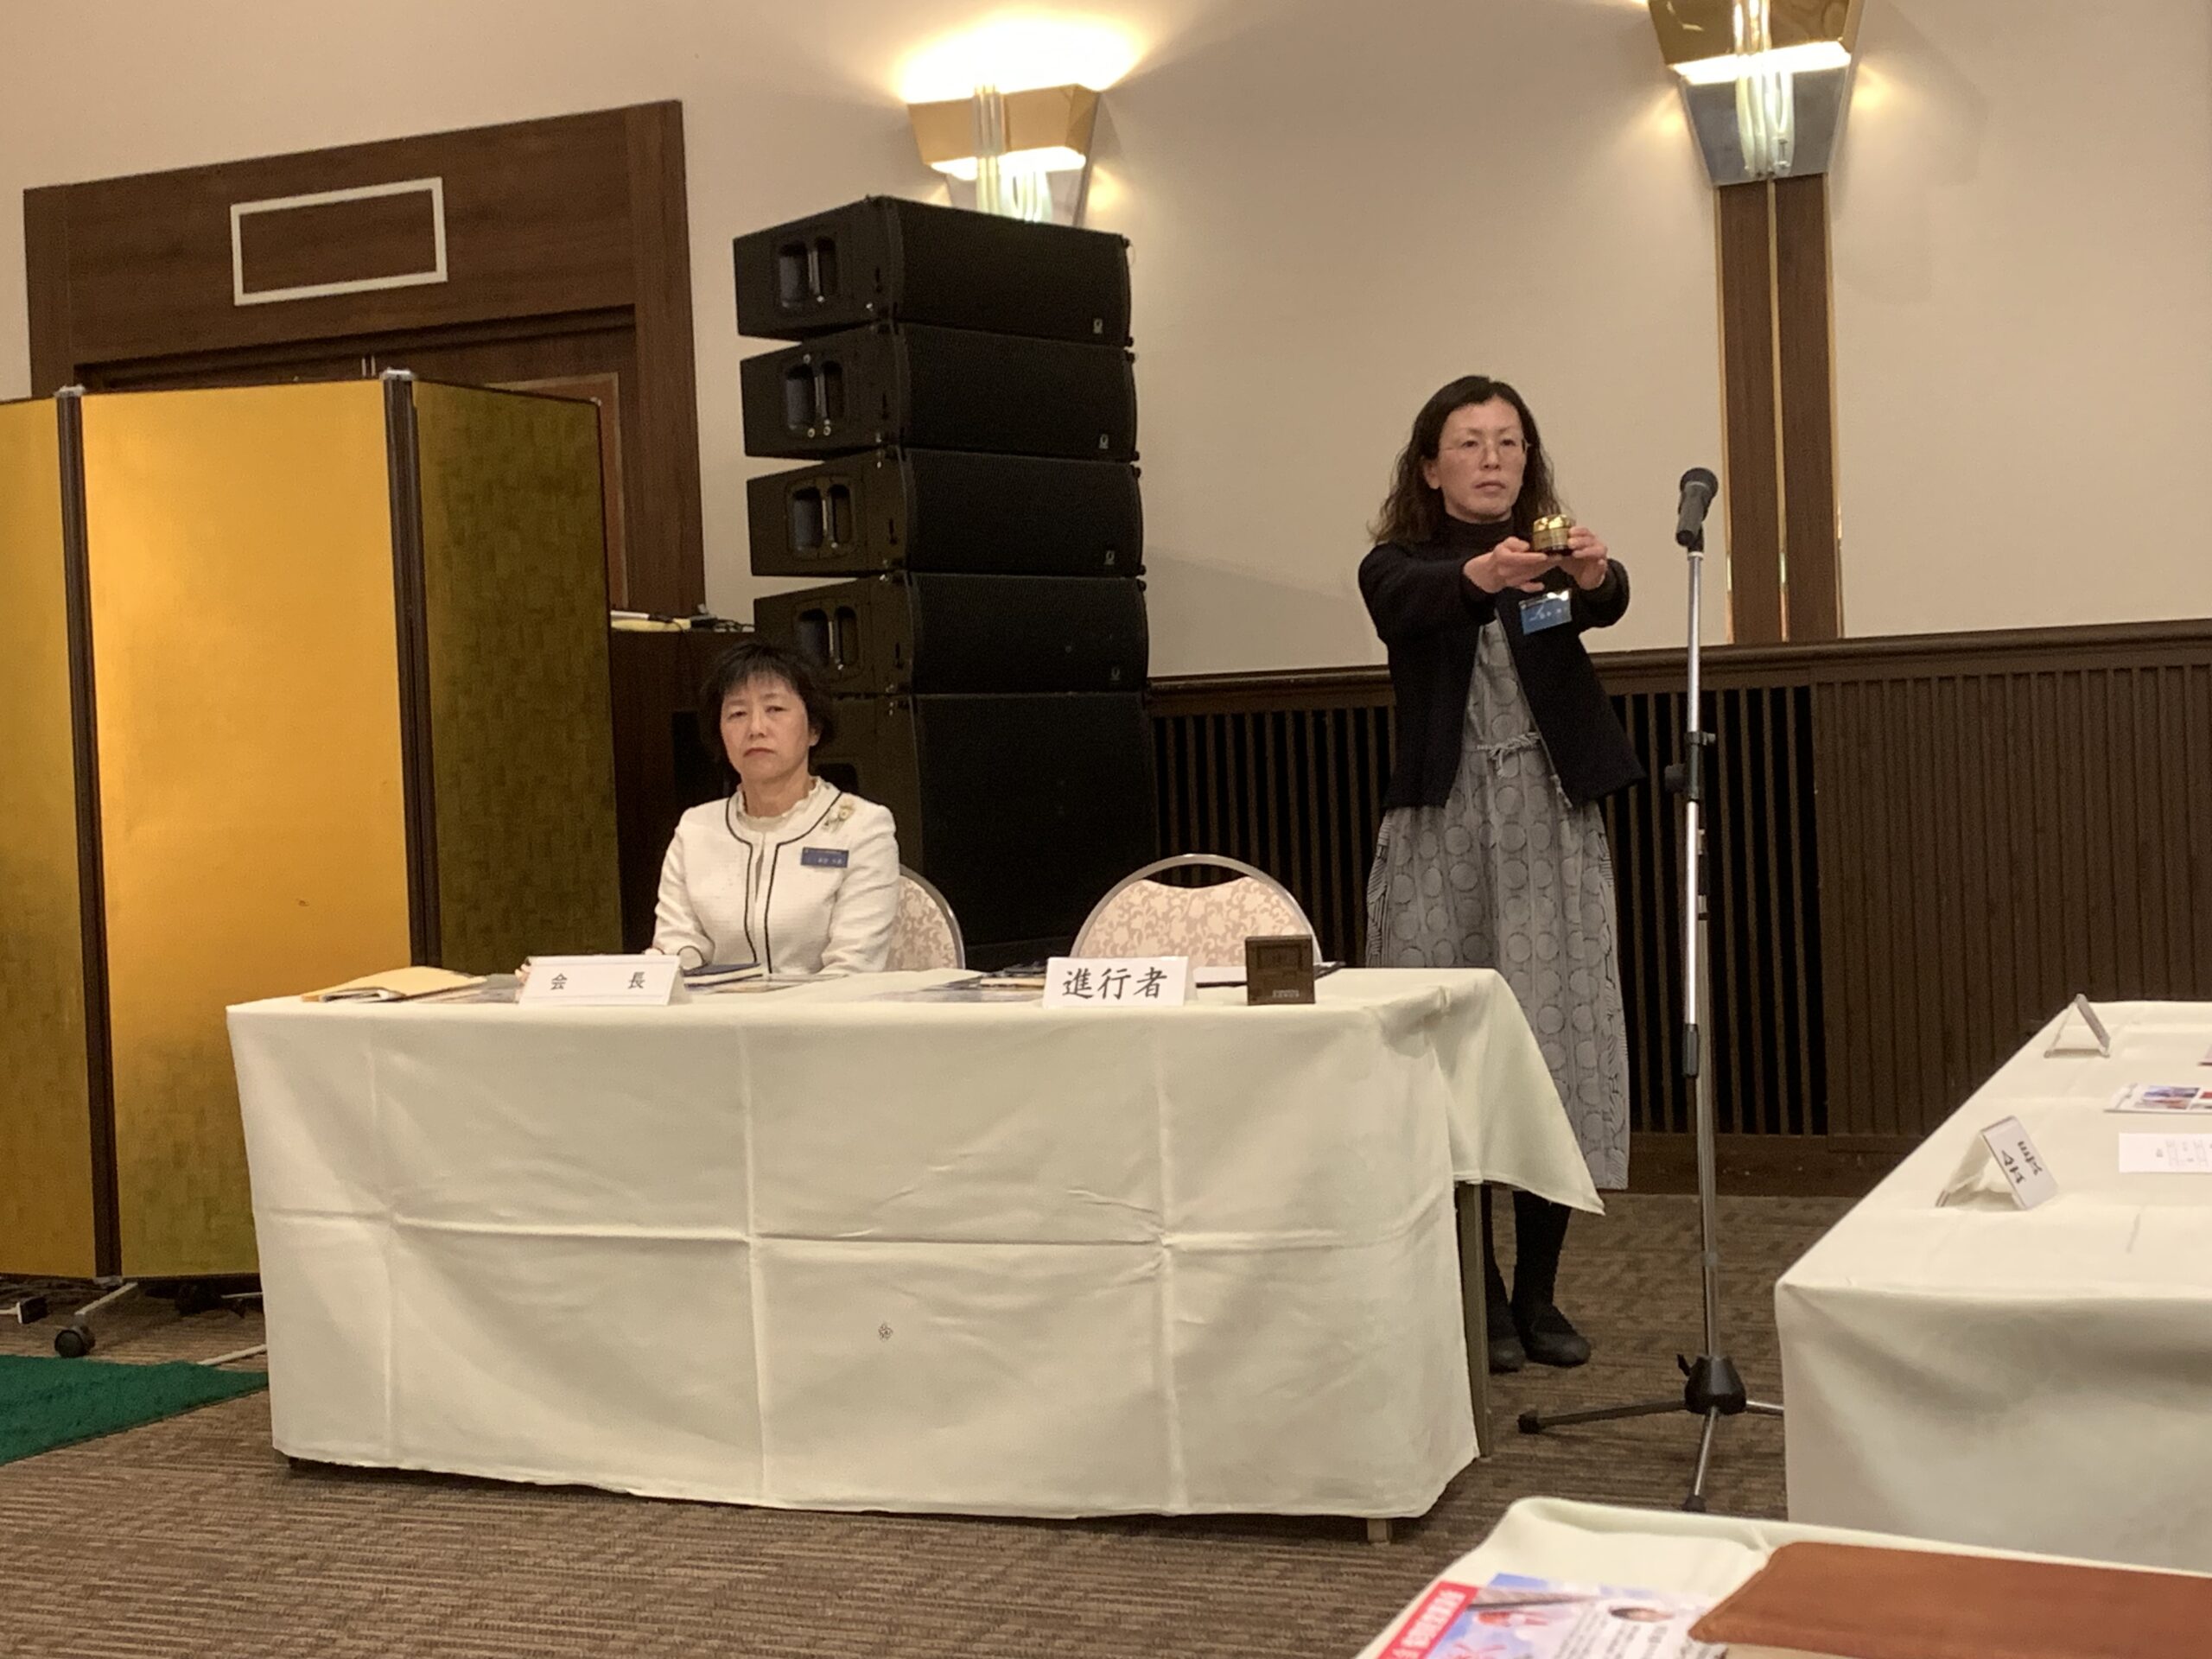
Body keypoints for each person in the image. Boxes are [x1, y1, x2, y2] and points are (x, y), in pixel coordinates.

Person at [1358, 375, 1642, 1372]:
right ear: (1430, 467)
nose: (1492, 458)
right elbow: (1411, 603)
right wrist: (1488, 573)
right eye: (1470, 442)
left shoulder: (1547, 563)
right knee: (1442, 1051)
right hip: (1442, 824)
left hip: (1548, 818)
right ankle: (1474, 1289)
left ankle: (1538, 1292)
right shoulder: (1398, 565)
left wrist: (1591, 576)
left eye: (1509, 442)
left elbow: (1602, 606)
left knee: (1552, 1044)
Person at [654, 639, 899, 976]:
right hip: (715, 1008)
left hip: (827, 1008)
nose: (756, 729)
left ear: (814, 729)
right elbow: (676, 944)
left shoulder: (862, 827)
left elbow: (853, 967)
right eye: (737, 714)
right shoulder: (695, 829)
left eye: (775, 710)